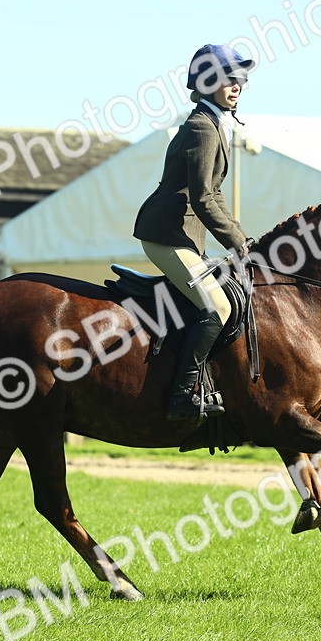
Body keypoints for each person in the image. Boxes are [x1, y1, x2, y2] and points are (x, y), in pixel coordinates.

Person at [133, 44, 256, 420]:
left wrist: (243, 240)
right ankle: (183, 394)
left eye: (242, 80)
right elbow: (203, 198)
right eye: (229, 79)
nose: (238, 86)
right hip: (166, 234)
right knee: (217, 305)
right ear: (207, 83)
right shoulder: (202, 127)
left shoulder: (217, 123)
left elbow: (214, 194)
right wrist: (238, 244)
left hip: (185, 235)